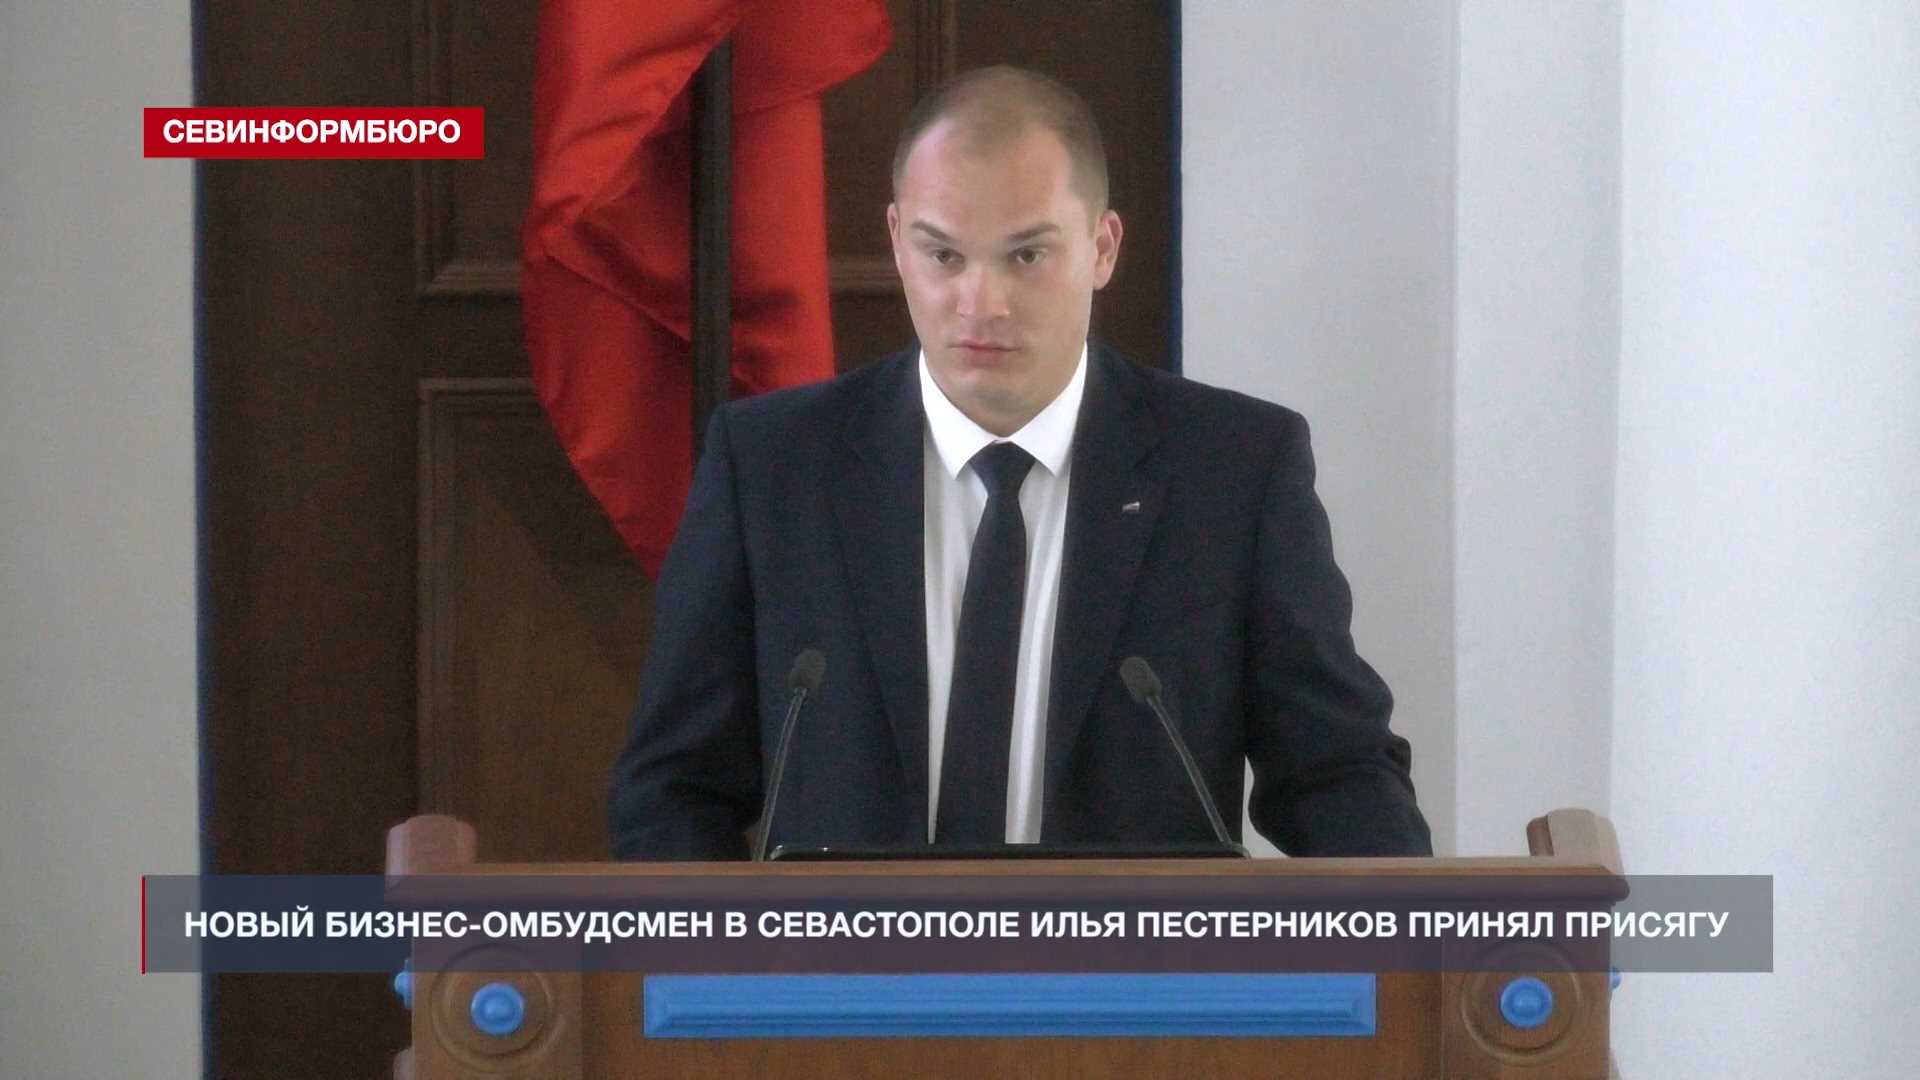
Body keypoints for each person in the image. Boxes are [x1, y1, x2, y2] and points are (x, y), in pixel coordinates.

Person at [607, 66, 1431, 860]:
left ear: (1102, 249)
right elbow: (673, 788)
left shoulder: (1233, 471)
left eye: (1026, 256)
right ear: (896, 242)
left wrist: (1409, 931)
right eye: (944, 256)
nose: (982, 304)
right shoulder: (773, 467)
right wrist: (730, 948)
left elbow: (1334, 771)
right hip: (848, 958)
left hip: (1135, 956)